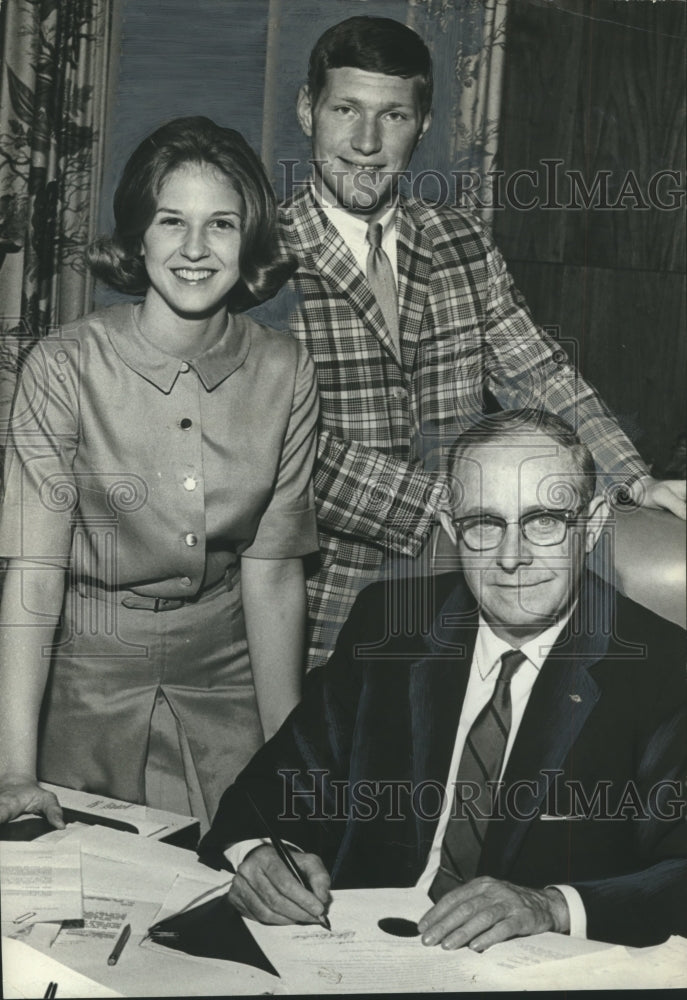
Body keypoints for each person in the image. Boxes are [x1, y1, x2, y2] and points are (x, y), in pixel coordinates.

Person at [252, 15, 686, 669]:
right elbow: (275, 445)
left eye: (392, 116)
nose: (366, 142)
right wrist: (459, 509)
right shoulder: (257, 258)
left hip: (467, 608)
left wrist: (632, 479)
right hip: (313, 612)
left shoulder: (459, 240)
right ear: (307, 109)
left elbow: (537, 373)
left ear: (421, 125)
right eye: (346, 109)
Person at [198, 409, 687, 949]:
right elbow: (276, 785)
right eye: (484, 524)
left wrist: (551, 906)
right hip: (353, 953)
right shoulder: (387, 627)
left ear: (592, 526)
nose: (512, 557)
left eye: (544, 521)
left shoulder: (665, 669)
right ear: (454, 531)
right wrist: (261, 852)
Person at [0, 117, 319, 831]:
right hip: (84, 679)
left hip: (228, 675)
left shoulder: (286, 368)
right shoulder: (62, 364)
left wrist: (290, 765)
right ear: (138, 235)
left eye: (223, 225)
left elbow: (272, 578)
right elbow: (34, 573)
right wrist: (14, 770)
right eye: (172, 220)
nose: (196, 249)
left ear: (250, 241)